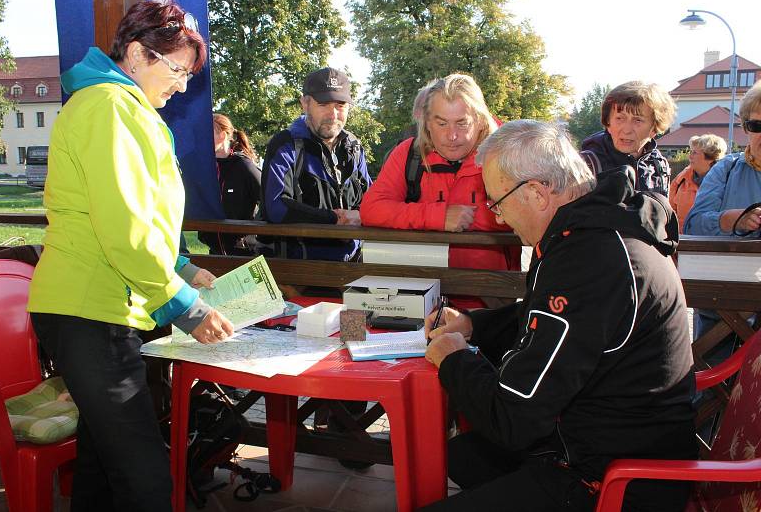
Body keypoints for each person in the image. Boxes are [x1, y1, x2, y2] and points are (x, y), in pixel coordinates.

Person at [423, 120, 697, 511]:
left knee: (473, 451)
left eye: (497, 202)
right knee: (463, 456)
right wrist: (472, 324)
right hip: (609, 437)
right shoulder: (594, 230)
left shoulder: (588, 260)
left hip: (614, 480)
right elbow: (553, 319)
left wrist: (454, 359)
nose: (498, 217)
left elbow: (514, 417)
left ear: (536, 193)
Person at [27, 0, 234, 512]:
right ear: (139, 54)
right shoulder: (110, 107)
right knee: (146, 481)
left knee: (103, 465)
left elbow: (134, 215)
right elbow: (124, 228)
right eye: (178, 70)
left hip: (102, 307)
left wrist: (182, 266)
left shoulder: (121, 106)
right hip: (88, 310)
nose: (183, 85)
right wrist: (185, 305)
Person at [360, 74, 519, 271]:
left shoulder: (507, 154)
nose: (452, 136)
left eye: (462, 123)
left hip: (491, 292)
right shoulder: (409, 153)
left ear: (479, 120)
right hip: (422, 289)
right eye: (442, 123)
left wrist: (469, 219)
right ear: (426, 122)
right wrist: (439, 216)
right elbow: (372, 209)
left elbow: (527, 213)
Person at [259, 67, 372, 260]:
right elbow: (275, 207)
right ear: (305, 103)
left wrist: (360, 215)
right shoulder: (286, 145)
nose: (333, 114)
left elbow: (372, 199)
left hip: (355, 268)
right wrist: (335, 219)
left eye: (340, 105)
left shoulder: (354, 147)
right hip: (302, 273)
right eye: (324, 104)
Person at [684, 81, 761, 339]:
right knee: (713, 377)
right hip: (723, 316)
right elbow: (693, 225)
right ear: (745, 128)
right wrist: (731, 221)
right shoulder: (726, 169)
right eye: (757, 126)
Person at [580, 81, 677, 196]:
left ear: (655, 129)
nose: (627, 130)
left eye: (638, 120)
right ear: (608, 123)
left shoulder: (659, 165)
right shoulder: (585, 166)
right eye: (620, 118)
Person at [198, 113, 261, 255]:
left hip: (244, 253)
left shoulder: (244, 166)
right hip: (215, 252)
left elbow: (269, 200)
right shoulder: (204, 167)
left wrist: (253, 233)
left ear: (222, 136)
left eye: (206, 134)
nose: (201, 139)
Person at [670, 134, 727, 233]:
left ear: (710, 158)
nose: (690, 156)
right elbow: (670, 212)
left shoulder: (726, 182)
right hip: (683, 242)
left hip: (716, 243)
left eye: (694, 153)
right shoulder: (680, 180)